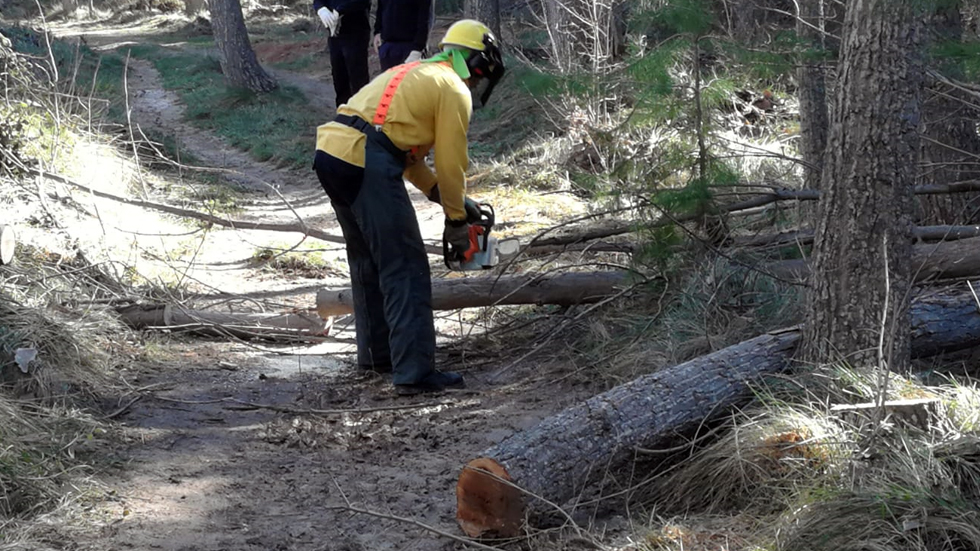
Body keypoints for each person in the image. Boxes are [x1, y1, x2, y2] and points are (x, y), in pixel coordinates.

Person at [312, 19, 505, 395]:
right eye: (482, 75)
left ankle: (378, 355)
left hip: (332, 152)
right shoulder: (453, 88)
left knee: (369, 259)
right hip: (365, 159)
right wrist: (455, 219)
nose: (479, 84)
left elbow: (402, 154)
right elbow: (452, 163)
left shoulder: (415, 72)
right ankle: (415, 372)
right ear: (479, 64)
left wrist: (443, 197)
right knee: (406, 266)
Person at [313, 0, 371, 107]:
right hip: (335, 34)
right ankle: (342, 114)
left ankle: (362, 114)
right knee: (338, 75)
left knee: (358, 77)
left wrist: (339, 11)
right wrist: (321, 8)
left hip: (356, 32)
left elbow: (362, 2)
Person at [373, 0, 433, 71]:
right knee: (389, 81)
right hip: (388, 46)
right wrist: (377, 32)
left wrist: (418, 49)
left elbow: (425, 18)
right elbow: (381, 9)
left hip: (410, 47)